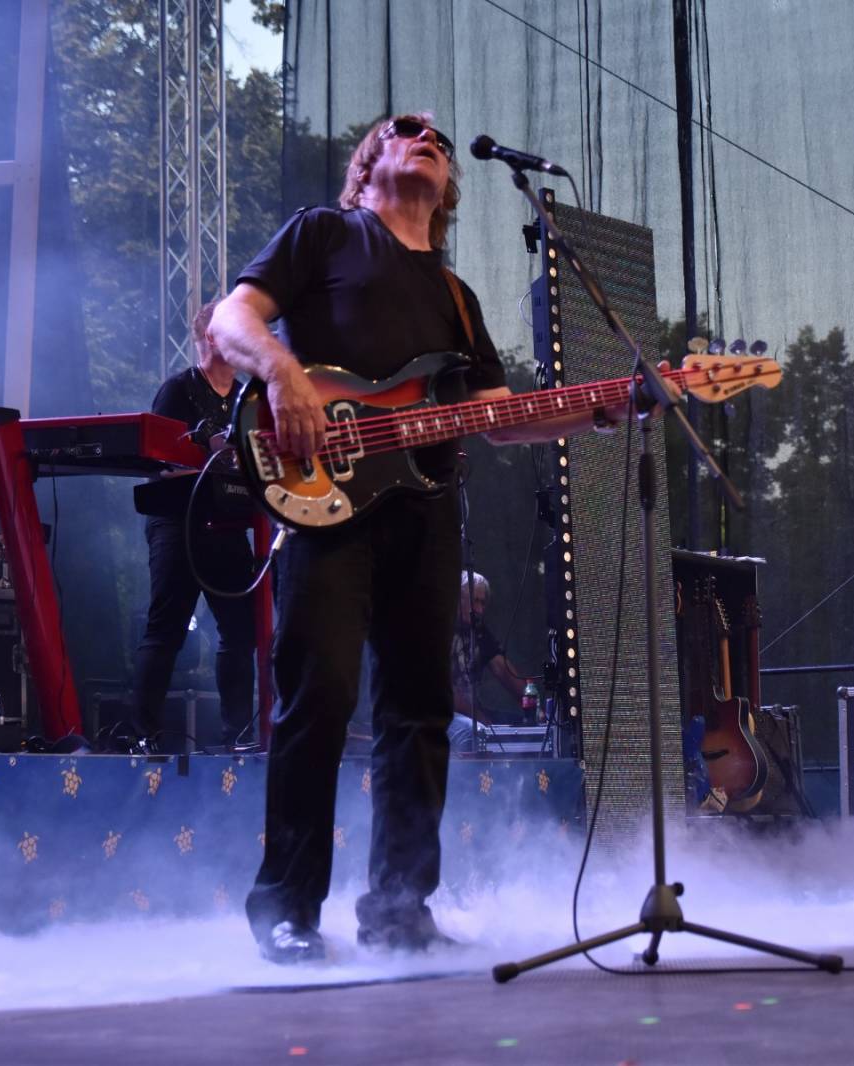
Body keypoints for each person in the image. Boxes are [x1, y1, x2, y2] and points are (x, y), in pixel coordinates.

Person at [211, 112, 631, 964]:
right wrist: (283, 374)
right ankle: (287, 910)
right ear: (368, 164)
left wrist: (599, 408)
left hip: (424, 509)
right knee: (319, 698)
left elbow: (496, 419)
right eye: (408, 129)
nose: (429, 136)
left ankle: (401, 910)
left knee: (421, 711)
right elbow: (231, 320)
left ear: (449, 191)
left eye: (439, 137)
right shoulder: (325, 233)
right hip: (324, 502)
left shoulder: (455, 297)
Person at [130, 299, 255, 752]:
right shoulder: (178, 390)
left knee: (241, 631)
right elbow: (161, 463)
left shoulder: (247, 398)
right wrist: (212, 455)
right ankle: (143, 738)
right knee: (166, 629)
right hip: (178, 522)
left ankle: (237, 737)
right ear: (211, 338)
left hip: (228, 524)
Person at [449, 570, 531, 752]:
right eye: (474, 601)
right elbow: (445, 692)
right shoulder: (439, 628)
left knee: (520, 726)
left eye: (482, 603)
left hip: (472, 713)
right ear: (457, 598)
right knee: (472, 733)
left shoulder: (478, 629)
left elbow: (503, 670)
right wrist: (479, 717)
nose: (479, 609)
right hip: (440, 714)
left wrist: (533, 705)